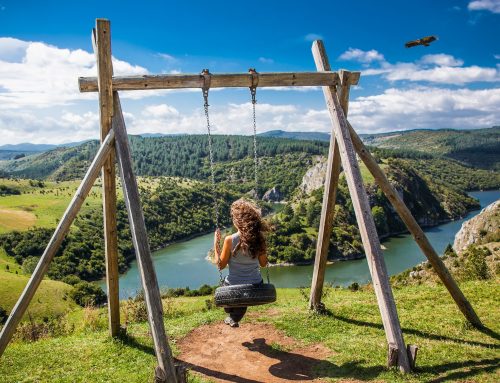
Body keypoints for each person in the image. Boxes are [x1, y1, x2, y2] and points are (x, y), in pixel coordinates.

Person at [213, 199, 269, 327]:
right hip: (255, 284)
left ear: (237, 221)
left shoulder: (230, 239)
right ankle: (233, 316)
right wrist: (263, 247)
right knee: (241, 296)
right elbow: (263, 264)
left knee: (233, 295)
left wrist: (216, 242)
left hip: (233, 284)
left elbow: (220, 265)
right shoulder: (259, 238)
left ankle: (233, 317)